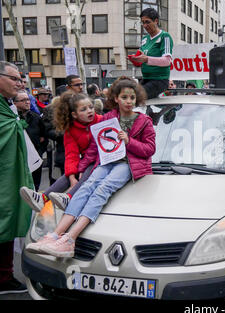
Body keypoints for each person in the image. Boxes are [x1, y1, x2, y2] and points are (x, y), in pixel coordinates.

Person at [25, 77, 156, 258]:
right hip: (106, 161)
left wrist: (129, 141)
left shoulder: (144, 121)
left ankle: (70, 239)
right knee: (86, 187)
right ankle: (55, 235)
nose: (129, 101)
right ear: (116, 99)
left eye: (132, 98)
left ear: (137, 99)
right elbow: (95, 147)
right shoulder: (110, 117)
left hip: (128, 164)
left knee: (101, 190)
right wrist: (80, 168)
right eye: (124, 97)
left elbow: (149, 149)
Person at [20, 91, 103, 212]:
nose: (90, 111)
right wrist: (71, 177)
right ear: (74, 114)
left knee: (86, 171)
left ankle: (68, 197)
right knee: (69, 175)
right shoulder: (70, 131)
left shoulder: (102, 120)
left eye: (91, 107)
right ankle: (42, 198)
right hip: (86, 159)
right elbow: (71, 155)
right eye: (84, 109)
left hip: (101, 158)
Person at [0, 61, 33, 294]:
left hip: (9, 177)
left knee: (8, 222)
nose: (20, 84)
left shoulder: (7, 106)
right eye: (14, 79)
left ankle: (5, 276)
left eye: (20, 79)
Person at [128, 8, 173, 99]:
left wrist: (147, 59)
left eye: (147, 22)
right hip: (146, 78)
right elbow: (139, 61)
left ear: (156, 21)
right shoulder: (145, 39)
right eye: (143, 22)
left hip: (160, 80)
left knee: (135, 97)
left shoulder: (165, 36)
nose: (145, 25)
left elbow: (167, 61)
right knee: (126, 95)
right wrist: (134, 59)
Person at [14, 90, 47, 191]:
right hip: (20, 160)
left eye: (28, 99)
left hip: (36, 158)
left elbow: (44, 136)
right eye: (23, 100)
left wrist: (40, 152)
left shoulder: (36, 118)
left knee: (35, 188)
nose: (27, 102)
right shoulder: (13, 119)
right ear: (15, 103)